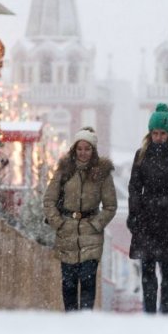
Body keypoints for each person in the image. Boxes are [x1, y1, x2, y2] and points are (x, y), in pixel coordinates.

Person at [127, 103, 168, 314]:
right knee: (147, 271)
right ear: (150, 133)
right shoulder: (141, 154)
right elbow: (134, 187)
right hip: (146, 220)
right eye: (155, 133)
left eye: (162, 133)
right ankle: (149, 314)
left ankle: (165, 316)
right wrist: (134, 214)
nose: (158, 137)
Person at [43, 126, 117, 312]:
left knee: (87, 282)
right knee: (68, 285)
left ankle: (85, 324)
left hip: (91, 236)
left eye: (87, 148)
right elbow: (49, 200)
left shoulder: (102, 173)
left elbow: (110, 206)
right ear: (74, 149)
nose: (83, 152)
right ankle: (70, 326)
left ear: (93, 150)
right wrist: (58, 223)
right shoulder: (64, 171)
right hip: (66, 234)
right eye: (80, 148)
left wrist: (96, 224)